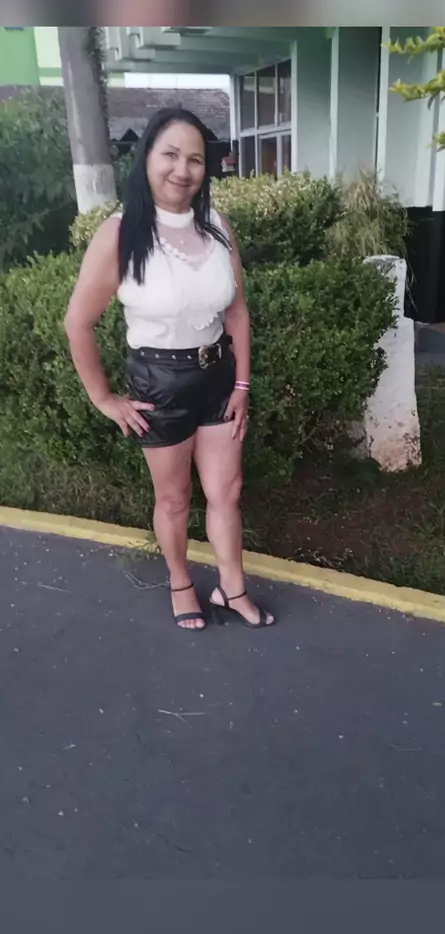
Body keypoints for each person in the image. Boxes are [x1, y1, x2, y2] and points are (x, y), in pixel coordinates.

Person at [64, 107, 274, 632]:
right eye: (171, 155)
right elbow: (78, 322)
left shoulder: (218, 226)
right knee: (175, 498)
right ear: (147, 159)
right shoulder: (120, 233)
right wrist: (103, 398)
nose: (183, 170)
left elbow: (237, 313)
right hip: (158, 384)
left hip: (218, 377)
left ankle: (232, 587)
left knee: (226, 491)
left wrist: (242, 383)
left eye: (195, 159)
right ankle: (181, 582)